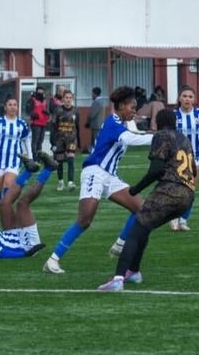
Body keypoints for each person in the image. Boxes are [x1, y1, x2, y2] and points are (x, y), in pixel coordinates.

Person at [43, 86, 153, 274]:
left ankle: (120, 244)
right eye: (132, 107)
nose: (135, 111)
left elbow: (138, 135)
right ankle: (52, 260)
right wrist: (161, 137)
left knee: (141, 209)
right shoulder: (112, 122)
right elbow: (132, 140)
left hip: (110, 176)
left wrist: (156, 135)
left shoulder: (125, 122)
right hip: (95, 172)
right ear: (120, 106)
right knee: (85, 220)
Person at [97, 109, 195, 292]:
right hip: (188, 195)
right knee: (145, 226)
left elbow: (156, 170)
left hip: (169, 191)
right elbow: (193, 172)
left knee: (135, 230)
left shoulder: (161, 135)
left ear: (158, 122)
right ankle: (133, 272)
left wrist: (136, 189)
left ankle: (118, 279)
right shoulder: (184, 139)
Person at [0, 96, 42, 231]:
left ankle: (6, 209)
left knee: (8, 185)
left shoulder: (21, 124)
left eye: (15, 104)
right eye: (10, 105)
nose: (13, 107)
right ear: (5, 107)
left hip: (14, 160)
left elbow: (27, 140)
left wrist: (30, 158)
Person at [170, 85, 199, 231]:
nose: (187, 99)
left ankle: (183, 220)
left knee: (190, 190)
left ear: (194, 99)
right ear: (179, 98)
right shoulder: (173, 115)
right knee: (176, 189)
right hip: (176, 158)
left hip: (196, 157)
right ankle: (173, 218)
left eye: (190, 96)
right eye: (184, 96)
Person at [51, 90, 79, 191]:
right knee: (60, 162)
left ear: (72, 99)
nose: (68, 100)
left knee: (71, 159)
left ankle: (71, 182)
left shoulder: (76, 111)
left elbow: (77, 126)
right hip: (59, 140)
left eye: (70, 98)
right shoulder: (58, 111)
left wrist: (78, 141)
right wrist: (53, 141)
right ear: (63, 99)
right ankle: (61, 182)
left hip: (72, 140)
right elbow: (54, 126)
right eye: (66, 97)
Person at [24, 85, 49, 159]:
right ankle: (34, 156)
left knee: (40, 141)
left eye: (42, 90)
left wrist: (47, 113)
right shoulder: (32, 99)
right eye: (39, 90)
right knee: (35, 140)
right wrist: (32, 114)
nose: (41, 92)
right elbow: (27, 110)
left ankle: (39, 156)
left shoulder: (45, 100)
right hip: (35, 123)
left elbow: (47, 109)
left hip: (43, 123)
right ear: (37, 90)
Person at [87, 86, 106, 151]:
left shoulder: (97, 102)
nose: (91, 95)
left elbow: (92, 114)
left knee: (95, 141)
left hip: (96, 125)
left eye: (92, 94)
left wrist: (88, 122)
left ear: (95, 94)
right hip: (100, 124)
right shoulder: (102, 101)